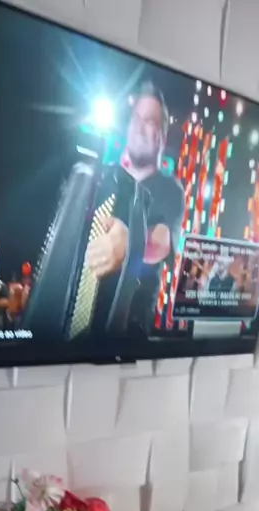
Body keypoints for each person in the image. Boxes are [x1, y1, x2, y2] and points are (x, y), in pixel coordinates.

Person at [87, 82, 185, 335]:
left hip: (128, 333)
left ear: (162, 137)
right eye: (136, 118)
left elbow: (162, 242)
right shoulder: (102, 178)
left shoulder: (171, 190)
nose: (140, 127)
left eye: (149, 121)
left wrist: (129, 246)